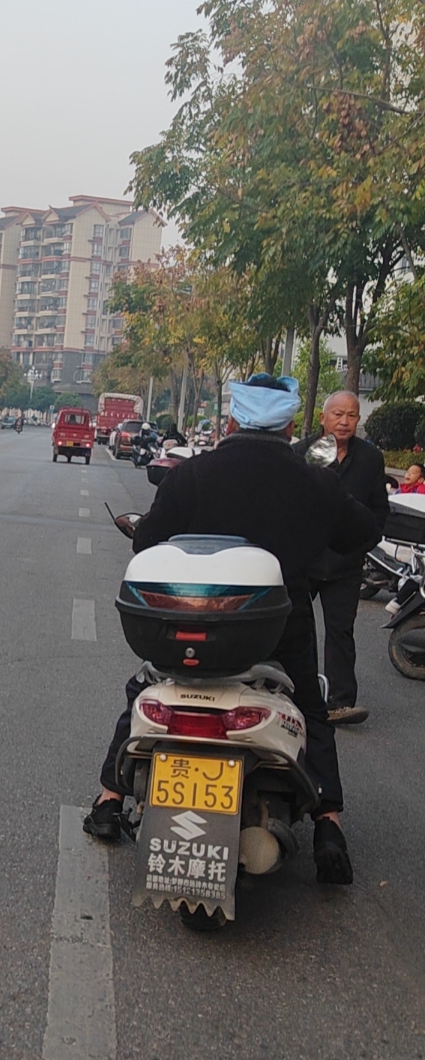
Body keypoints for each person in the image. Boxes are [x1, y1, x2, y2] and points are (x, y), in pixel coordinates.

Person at [84, 373, 381, 885]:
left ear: (232, 421)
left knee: (147, 687)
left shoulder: (194, 474)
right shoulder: (315, 482)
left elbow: (147, 540)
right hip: (278, 628)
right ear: (289, 426)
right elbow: (363, 532)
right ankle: (328, 824)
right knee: (311, 710)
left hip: (193, 625)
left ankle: (110, 799)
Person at [296, 391, 389, 725]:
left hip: (346, 562)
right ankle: (293, 695)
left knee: (341, 632)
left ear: (359, 419)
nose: (344, 421)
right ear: (323, 418)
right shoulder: (302, 453)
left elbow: (379, 509)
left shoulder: (370, 458)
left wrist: (364, 541)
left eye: (351, 415)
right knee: (294, 629)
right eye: (338, 414)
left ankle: (340, 702)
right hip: (304, 560)